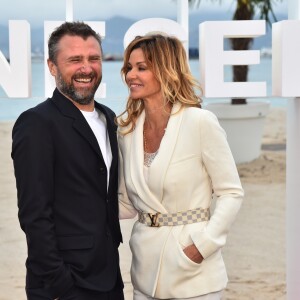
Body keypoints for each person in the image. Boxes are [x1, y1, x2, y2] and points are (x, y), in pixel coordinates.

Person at [117, 33, 244, 300]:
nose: (130, 75)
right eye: (129, 67)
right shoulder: (126, 131)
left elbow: (231, 192)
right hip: (144, 271)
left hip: (194, 272)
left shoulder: (200, 122)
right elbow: (128, 203)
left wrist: (203, 246)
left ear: (165, 70)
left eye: (142, 67)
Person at [11, 21, 124, 300]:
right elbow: (34, 214)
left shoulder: (109, 118)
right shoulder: (37, 123)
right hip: (63, 284)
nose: (86, 68)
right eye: (75, 60)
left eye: (93, 59)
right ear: (52, 67)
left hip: (109, 278)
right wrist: (59, 282)